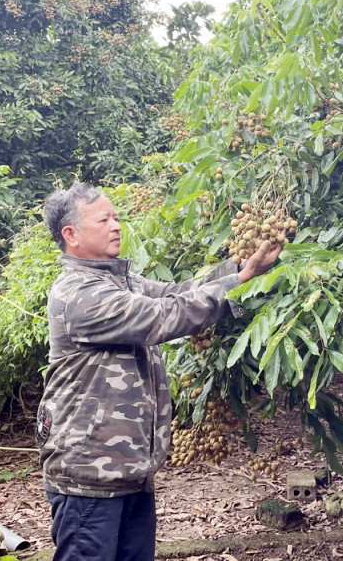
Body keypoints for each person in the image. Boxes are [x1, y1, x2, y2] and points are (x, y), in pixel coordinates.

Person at [35, 183, 281, 561]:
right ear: (72, 235)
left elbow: (176, 292)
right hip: (89, 476)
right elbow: (164, 315)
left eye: (116, 217)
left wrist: (238, 268)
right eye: (104, 219)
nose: (117, 225)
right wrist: (240, 282)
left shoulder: (119, 281)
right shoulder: (78, 293)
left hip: (129, 470)